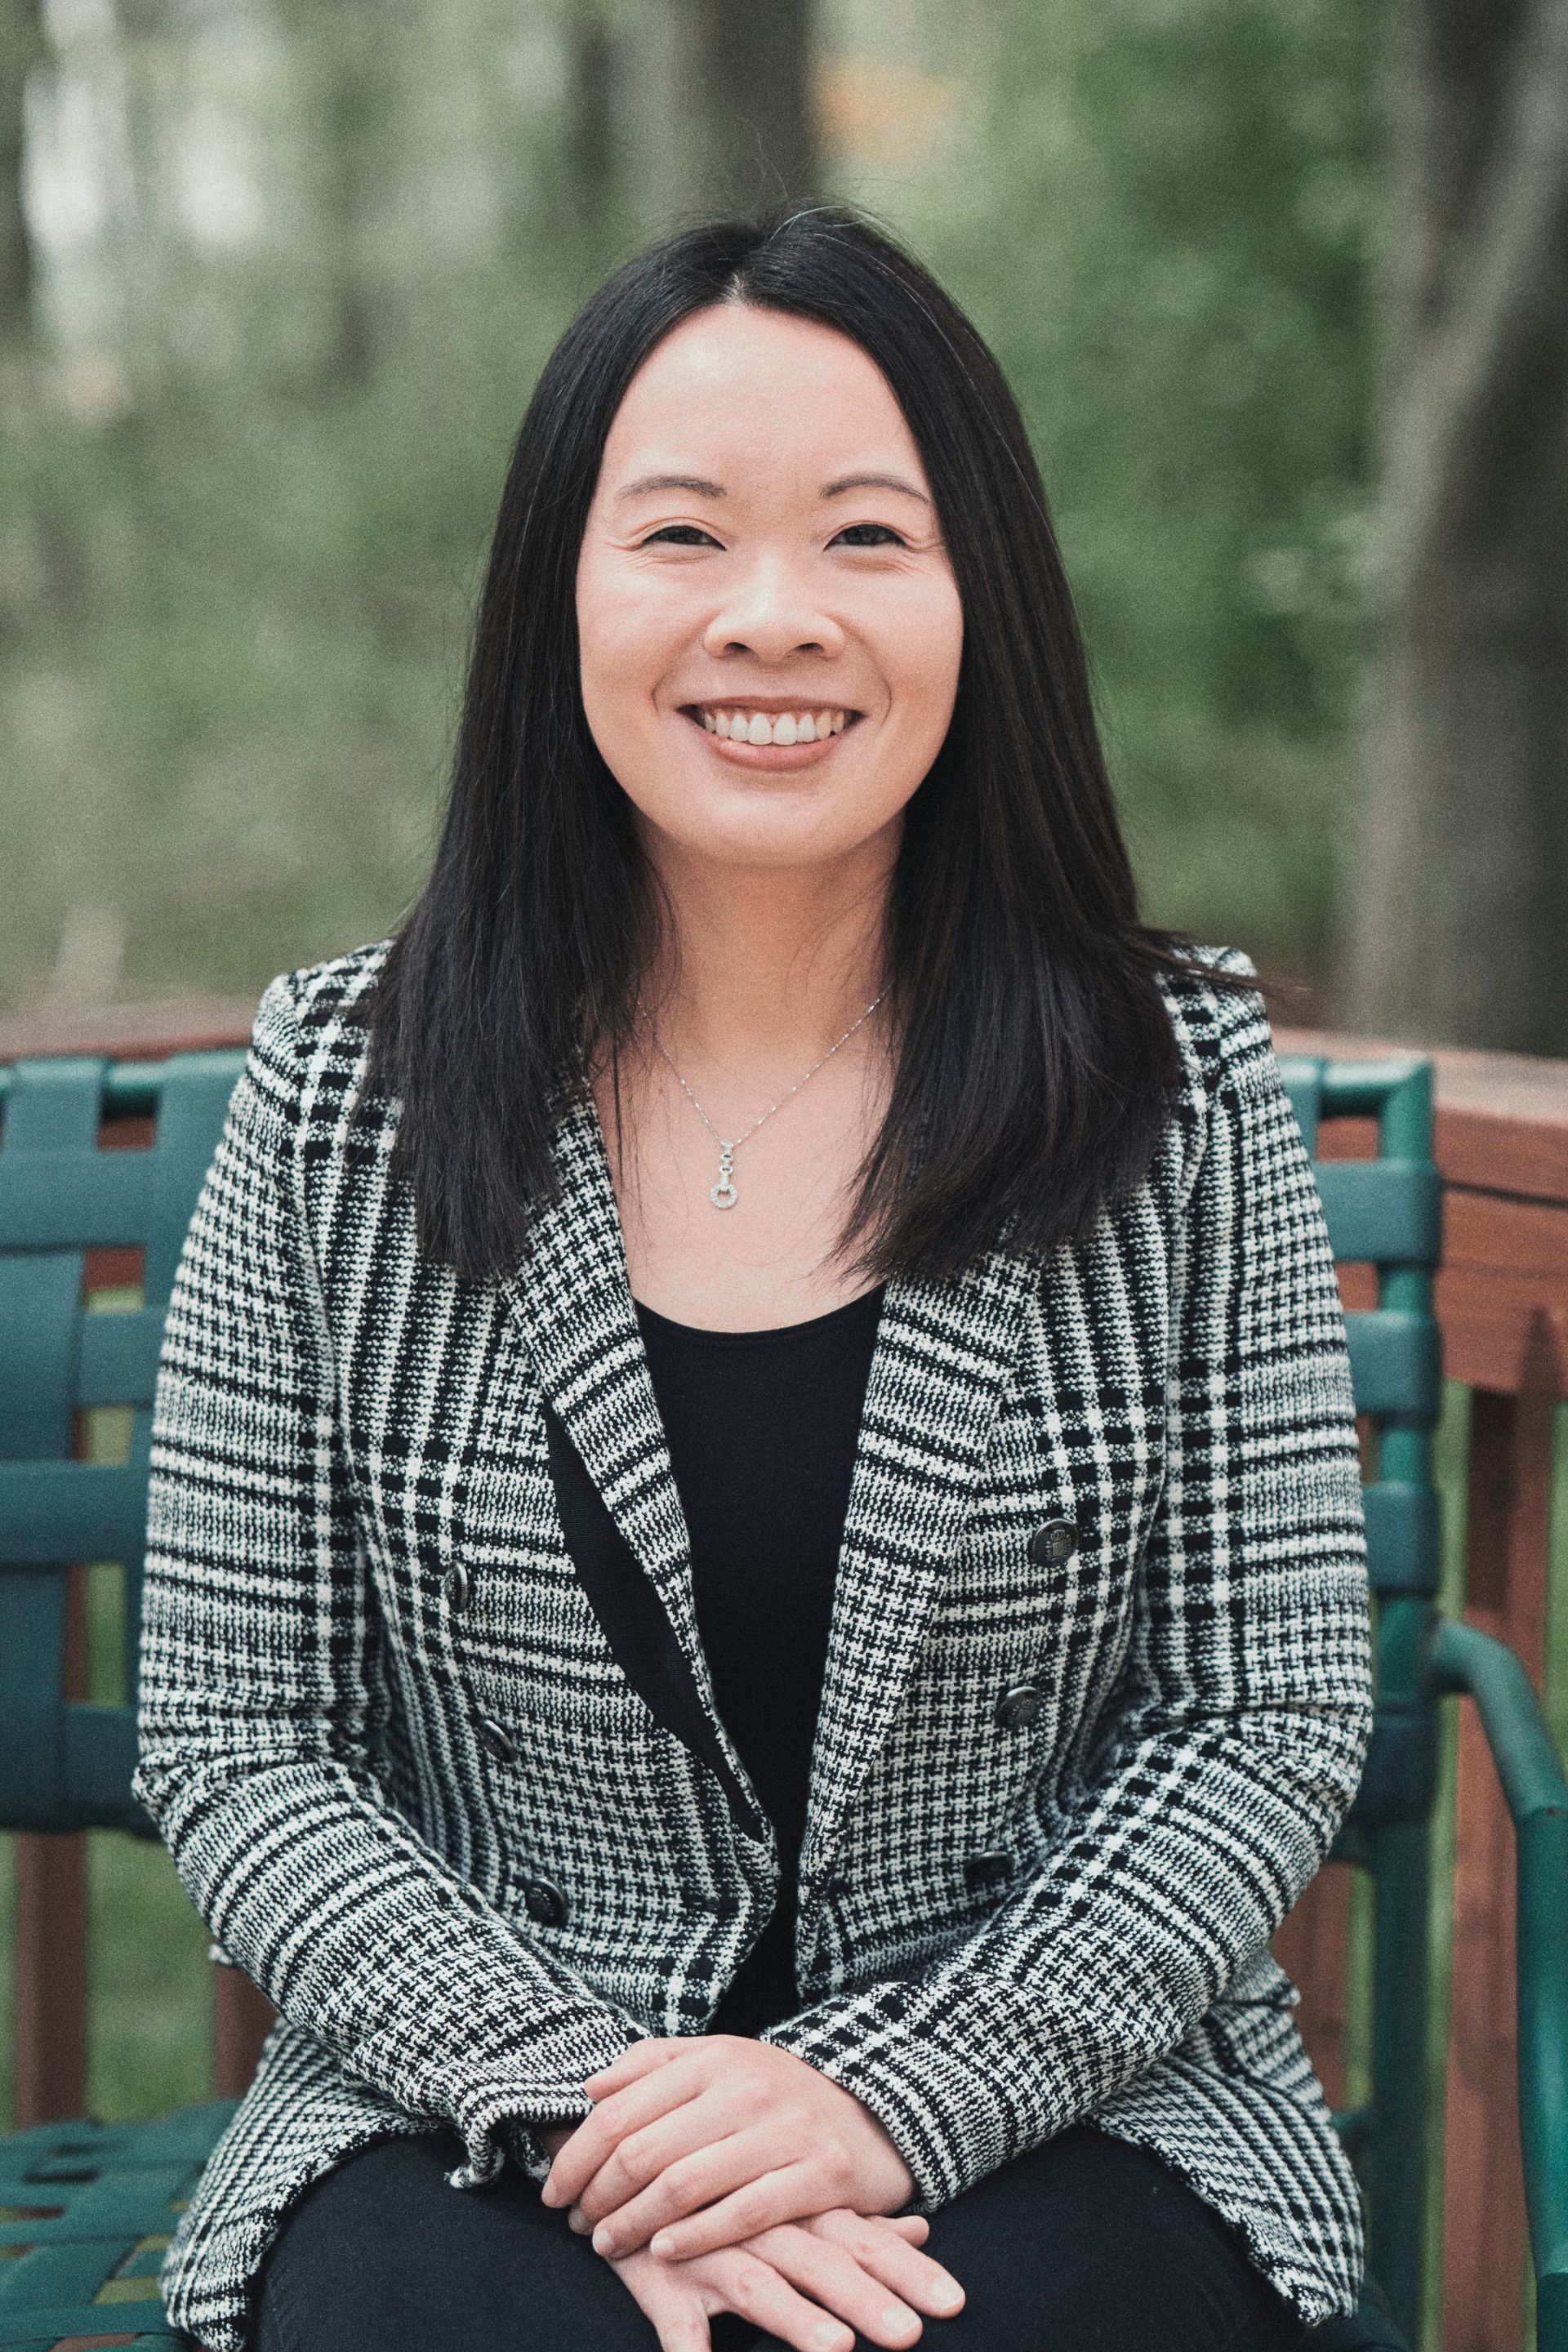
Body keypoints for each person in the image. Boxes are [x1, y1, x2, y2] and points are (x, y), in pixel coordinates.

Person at [135, 207, 1374, 2352]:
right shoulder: (341, 1085)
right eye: (685, 536)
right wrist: (605, 2109)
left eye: (868, 539)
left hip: (1067, 2085)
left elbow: (1259, 1710)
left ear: (979, 595)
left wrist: (885, 2097)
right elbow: (243, 1733)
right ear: (563, 601)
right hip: (491, 2093)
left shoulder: (1173, 1081)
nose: (775, 618)